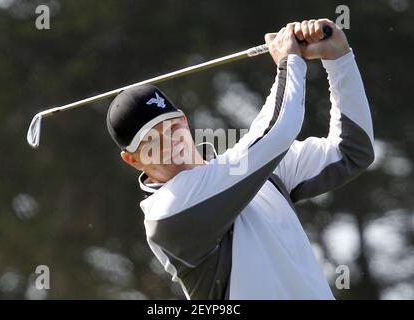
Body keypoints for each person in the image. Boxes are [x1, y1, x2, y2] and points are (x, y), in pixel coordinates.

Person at [106, 18, 374, 299]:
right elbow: (279, 131)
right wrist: (289, 62)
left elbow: (352, 150)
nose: (171, 143)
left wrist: (339, 58)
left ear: (184, 121)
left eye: (172, 128)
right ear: (132, 159)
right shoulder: (167, 216)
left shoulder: (258, 171)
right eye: (152, 141)